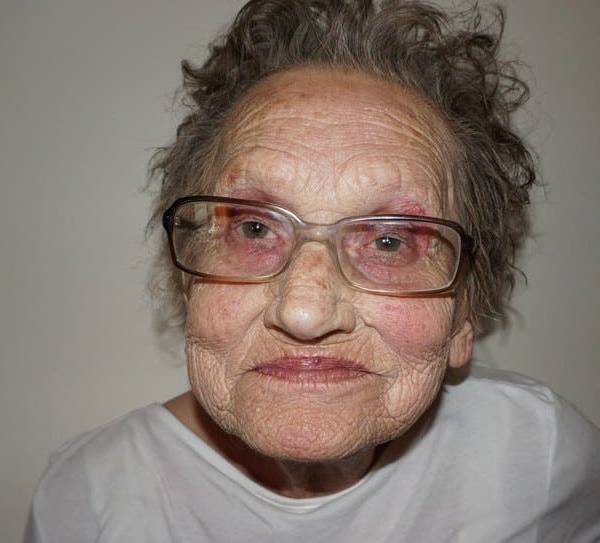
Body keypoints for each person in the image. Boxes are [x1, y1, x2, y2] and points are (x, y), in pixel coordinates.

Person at [24, 1, 600, 541]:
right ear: (188, 280)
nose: (305, 312)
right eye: (254, 229)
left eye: (390, 241)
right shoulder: (87, 501)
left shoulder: (539, 456)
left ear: (463, 318)